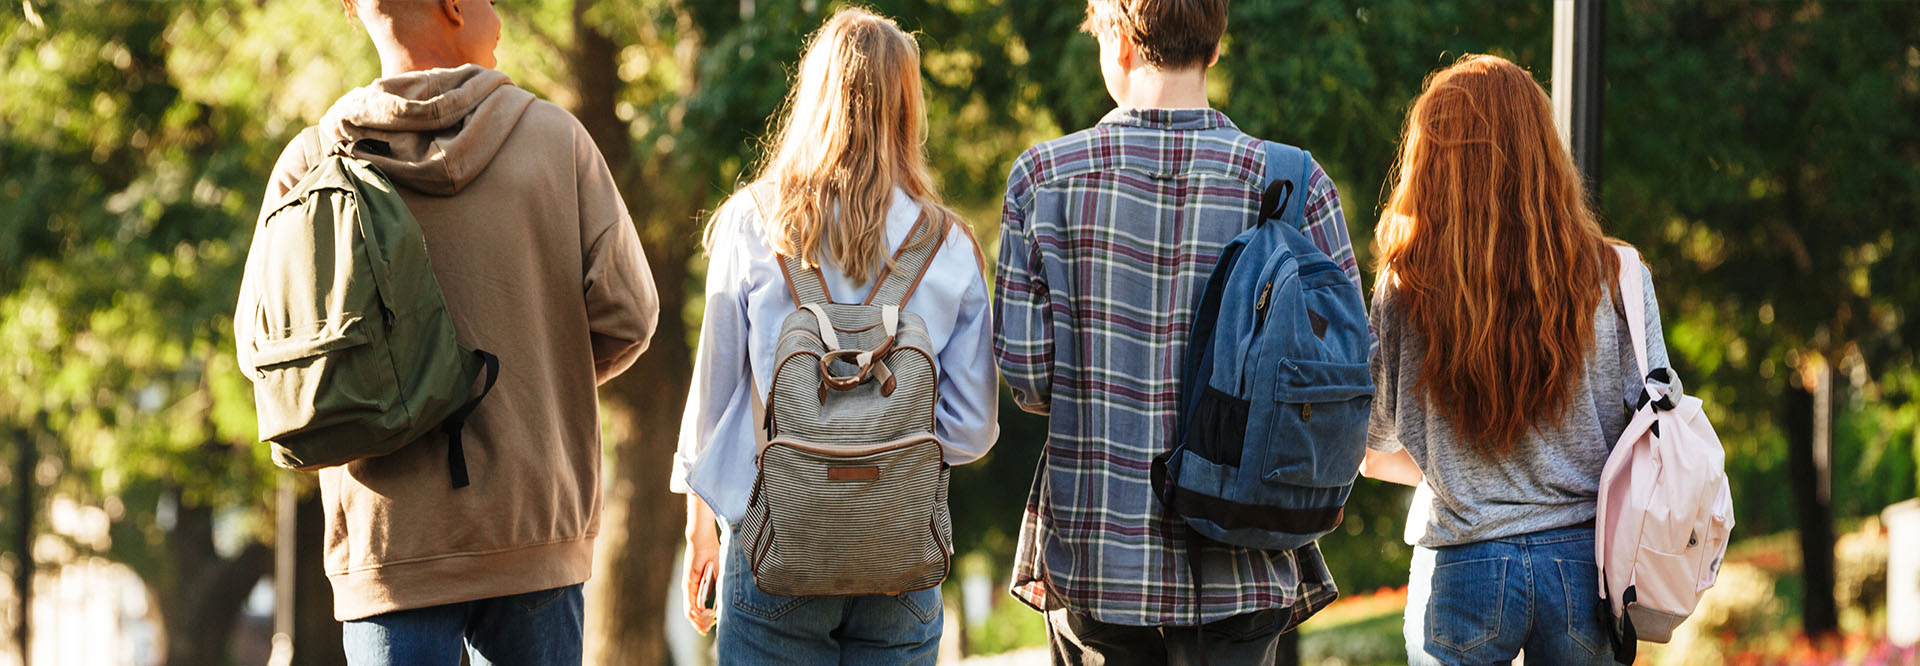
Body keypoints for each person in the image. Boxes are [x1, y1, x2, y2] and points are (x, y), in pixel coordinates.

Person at [259, 1, 660, 663]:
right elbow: (630, 316)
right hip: (535, 526)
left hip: (388, 546)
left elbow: (274, 360)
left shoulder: (311, 164)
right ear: (452, 6)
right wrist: (543, 376)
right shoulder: (556, 142)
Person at [992, 1, 1361, 663]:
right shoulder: (1293, 183)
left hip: (1101, 556)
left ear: (1118, 42)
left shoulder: (1042, 181)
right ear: (1214, 48)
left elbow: (1029, 377)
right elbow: (1348, 377)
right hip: (1247, 554)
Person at [670, 8, 999, 665]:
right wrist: (885, 437)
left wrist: (699, 525)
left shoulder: (750, 225)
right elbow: (971, 432)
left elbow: (712, 401)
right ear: (908, 105)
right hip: (901, 552)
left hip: (776, 542)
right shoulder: (950, 248)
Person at [1359, 54, 1679, 666]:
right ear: (1544, 151)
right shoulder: (1617, 277)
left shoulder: (1405, 288)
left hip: (1461, 564)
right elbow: (1653, 433)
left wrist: (1455, 472)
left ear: (1430, 163)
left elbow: (1371, 451)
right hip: (1587, 569)